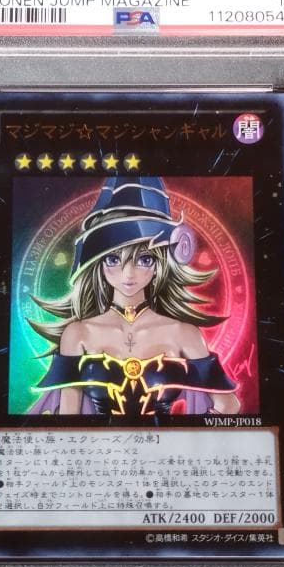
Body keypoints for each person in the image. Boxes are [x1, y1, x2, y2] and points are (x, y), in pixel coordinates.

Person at [28, 176, 240, 416]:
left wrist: (184, 434)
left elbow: (228, 405)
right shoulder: (78, 333)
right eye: (113, 259)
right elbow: (70, 417)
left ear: (159, 264)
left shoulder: (184, 333)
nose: (128, 274)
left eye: (144, 259)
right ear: (98, 264)